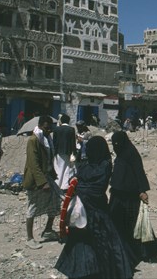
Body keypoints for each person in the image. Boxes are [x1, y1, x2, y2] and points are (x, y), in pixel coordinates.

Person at [55, 136, 133, 279]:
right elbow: (98, 187)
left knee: (83, 241)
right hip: (96, 210)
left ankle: (84, 270)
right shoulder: (105, 164)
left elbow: (80, 184)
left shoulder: (85, 165)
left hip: (86, 209)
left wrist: (80, 190)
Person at [109, 130, 157, 268]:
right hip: (118, 193)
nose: (115, 146)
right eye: (114, 144)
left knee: (135, 223)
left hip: (131, 194)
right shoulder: (120, 152)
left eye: (117, 143)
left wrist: (142, 190)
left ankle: (143, 252)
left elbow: (138, 171)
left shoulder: (131, 152)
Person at [22, 115, 60, 249]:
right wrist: (42, 182)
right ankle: (29, 238)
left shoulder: (47, 138)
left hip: (47, 176)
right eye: (46, 127)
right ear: (40, 125)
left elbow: (48, 158)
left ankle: (48, 230)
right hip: (36, 179)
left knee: (56, 201)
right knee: (32, 207)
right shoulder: (33, 140)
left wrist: (52, 173)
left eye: (50, 127)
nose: (49, 129)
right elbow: (34, 163)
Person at [52, 114, 77, 192]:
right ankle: (64, 185)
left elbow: (54, 141)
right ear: (69, 121)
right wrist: (74, 152)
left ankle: (57, 184)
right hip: (67, 151)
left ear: (61, 120)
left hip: (58, 152)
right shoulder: (71, 129)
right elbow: (73, 142)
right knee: (66, 168)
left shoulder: (56, 129)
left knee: (58, 168)